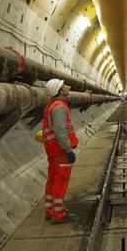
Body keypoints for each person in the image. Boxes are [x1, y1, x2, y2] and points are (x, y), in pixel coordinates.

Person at [42, 78, 79, 224]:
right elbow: (60, 131)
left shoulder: (51, 106)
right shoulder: (59, 107)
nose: (66, 87)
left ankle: (50, 209)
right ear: (59, 91)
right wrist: (68, 150)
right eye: (63, 86)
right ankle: (58, 214)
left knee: (52, 178)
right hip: (59, 150)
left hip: (52, 148)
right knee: (61, 179)